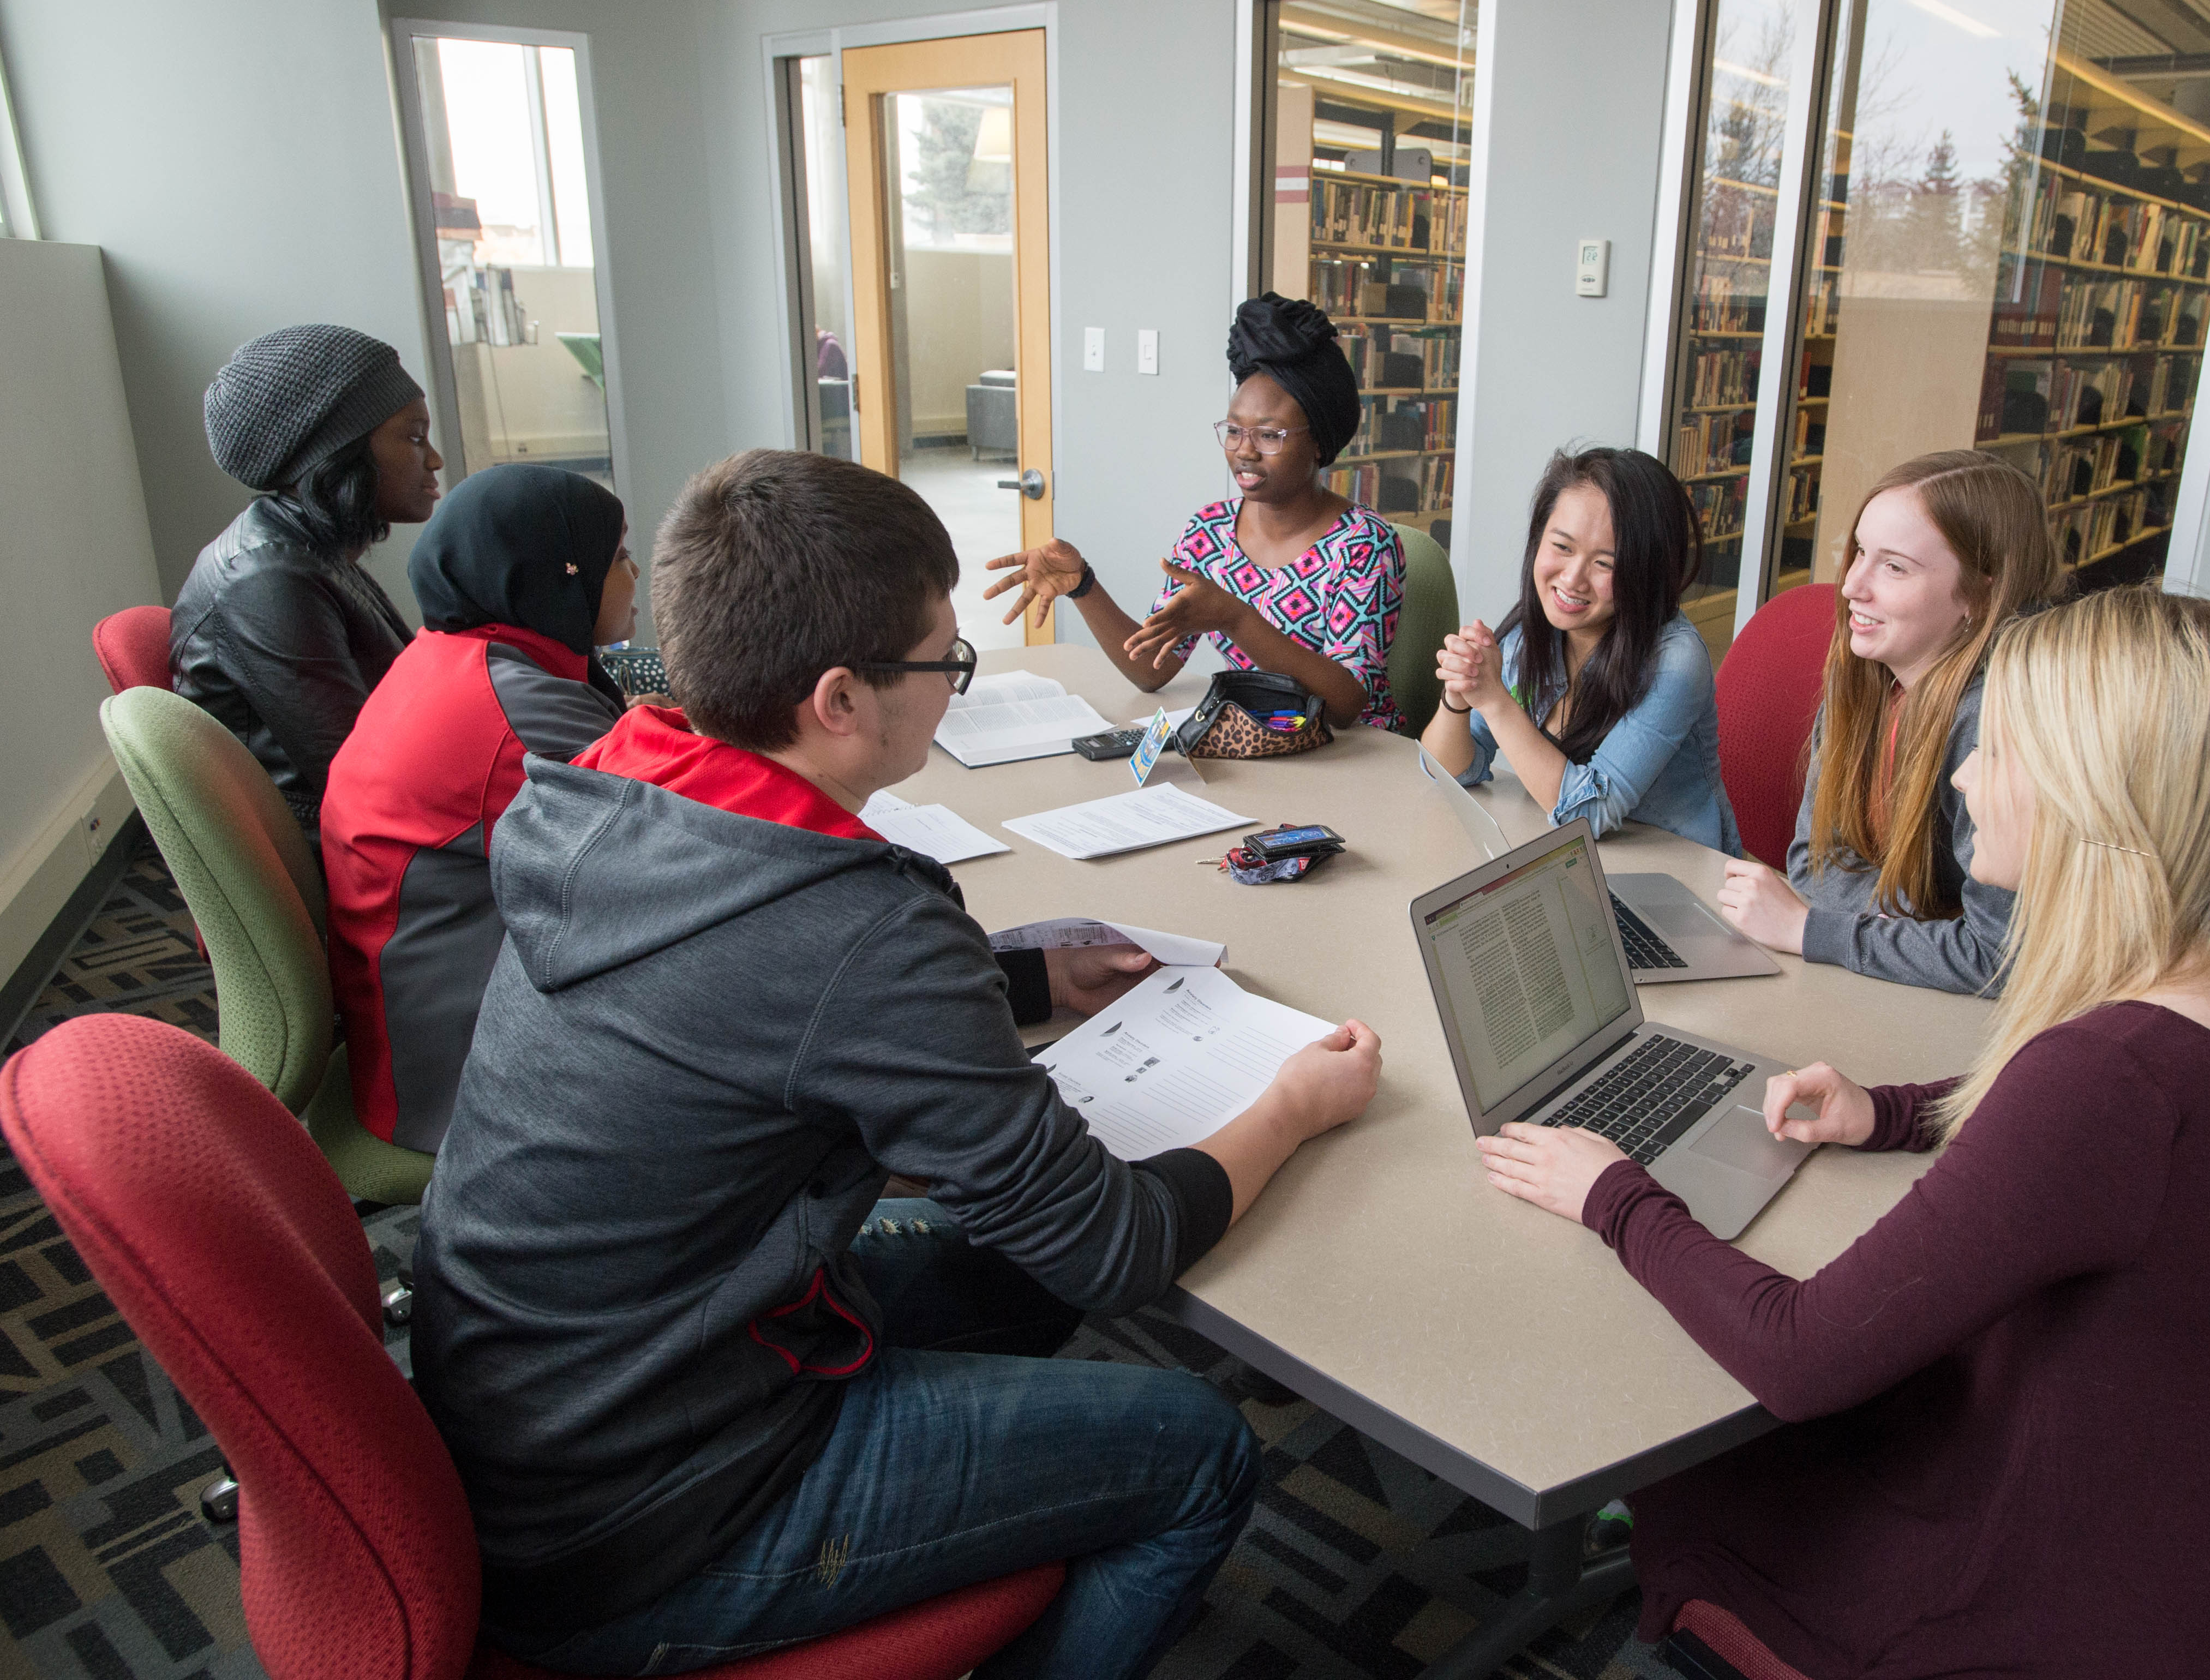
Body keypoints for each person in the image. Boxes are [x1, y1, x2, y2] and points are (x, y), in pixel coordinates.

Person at [412, 448, 1382, 1677]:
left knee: (1013, 1274)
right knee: (1198, 1446)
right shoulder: (862, 926)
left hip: (549, 1408)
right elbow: (1114, 1245)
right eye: (944, 661)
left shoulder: (599, 788)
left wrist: (1026, 978)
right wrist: (1290, 1104)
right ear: (838, 700)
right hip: (649, 1522)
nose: (952, 684)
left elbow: (763, 994)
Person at [1475, 586, 2210, 1678]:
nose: (1962, 777)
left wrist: (1614, 1195)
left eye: (1996, 752)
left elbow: (1801, 1354)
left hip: (2129, 1618)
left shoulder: (2102, 1080)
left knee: (1730, 1461)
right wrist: (1889, 1110)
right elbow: (2091, 1134)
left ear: (2094, 798)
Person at [320, 464, 636, 1157]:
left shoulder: (457, 656)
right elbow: (667, 860)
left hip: (417, 1014)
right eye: (618, 558)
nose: (635, 574)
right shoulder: (518, 712)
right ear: (559, 574)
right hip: (456, 1080)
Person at [1715, 450, 2061, 993]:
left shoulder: (1999, 723)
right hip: (1896, 987)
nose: (1852, 585)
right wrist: (1927, 929)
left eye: (1894, 566)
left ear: (1979, 593)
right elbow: (1812, 861)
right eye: (1857, 553)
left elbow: (1998, 956)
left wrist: (1815, 929)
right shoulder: (1864, 674)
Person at [981, 293, 1406, 728]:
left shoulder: (1364, 544)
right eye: (1235, 431)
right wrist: (1083, 585)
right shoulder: (1211, 532)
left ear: (1319, 443)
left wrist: (1235, 618)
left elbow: (1346, 705)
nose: (1245, 451)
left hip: (1358, 756)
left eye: (1269, 435)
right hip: (1259, 743)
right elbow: (1153, 670)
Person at [170, 324, 444, 836]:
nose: (434, 460)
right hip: (359, 863)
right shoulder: (268, 576)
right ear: (340, 453)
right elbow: (368, 778)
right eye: (413, 436)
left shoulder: (307, 548)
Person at [1422, 447, 1739, 855]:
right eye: (1563, 547)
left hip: (1676, 874)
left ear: (1647, 570)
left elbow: (1589, 814)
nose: (1572, 580)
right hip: (1577, 863)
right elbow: (1448, 772)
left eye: (1605, 564)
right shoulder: (1531, 633)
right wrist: (1459, 694)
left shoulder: (1676, 661)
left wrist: (1495, 701)